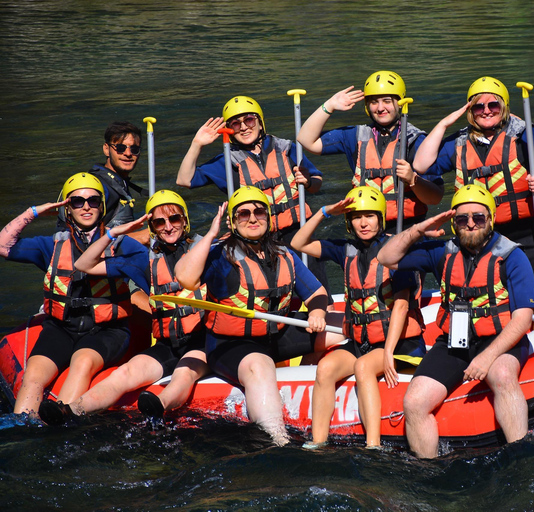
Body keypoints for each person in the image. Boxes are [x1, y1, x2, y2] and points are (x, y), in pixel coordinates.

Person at [174, 186, 346, 445]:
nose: (253, 218)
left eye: (259, 212)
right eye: (243, 214)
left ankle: (310, 376)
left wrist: (318, 313)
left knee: (344, 327)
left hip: (276, 335)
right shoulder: (221, 256)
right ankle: (279, 439)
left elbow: (317, 294)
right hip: (230, 345)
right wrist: (210, 234)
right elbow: (185, 278)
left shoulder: (283, 253)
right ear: (232, 221)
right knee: (260, 365)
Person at [377, 184, 534, 458]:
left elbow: (523, 320)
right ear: (454, 223)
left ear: (491, 219)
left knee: (502, 376)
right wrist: (420, 229)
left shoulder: (512, 257)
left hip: (499, 342)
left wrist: (486, 358)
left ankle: (519, 455)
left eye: (478, 217)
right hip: (455, 342)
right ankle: (430, 470)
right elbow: (386, 257)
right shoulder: (441, 251)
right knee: (414, 402)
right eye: (462, 219)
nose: (470, 224)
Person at [37, 190, 210, 425]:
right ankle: (71, 410)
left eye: (175, 219)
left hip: (203, 343)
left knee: (184, 373)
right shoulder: (142, 260)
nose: (168, 227)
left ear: (185, 221)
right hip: (167, 345)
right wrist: (112, 233)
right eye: (159, 221)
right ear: (152, 227)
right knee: (124, 374)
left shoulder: (209, 253)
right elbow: (83, 263)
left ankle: (160, 405)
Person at [412, 76, 534, 315]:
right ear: (470, 111)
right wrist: (444, 123)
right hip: (484, 235)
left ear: (504, 107)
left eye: (493, 105)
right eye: (478, 106)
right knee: (495, 297)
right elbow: (421, 165)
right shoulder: (459, 143)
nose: (486, 111)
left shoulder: (523, 135)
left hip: (532, 231)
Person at [291, 186, 426, 448]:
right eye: (356, 217)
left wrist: (387, 352)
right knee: (325, 368)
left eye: (370, 216)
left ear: (381, 218)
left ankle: (372, 445)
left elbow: (400, 306)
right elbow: (298, 243)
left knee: (362, 367)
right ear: (348, 221)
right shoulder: (346, 250)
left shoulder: (397, 251)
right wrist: (324, 212)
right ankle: (318, 443)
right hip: (361, 342)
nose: (363, 223)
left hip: (398, 344)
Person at [0, 173, 145, 417]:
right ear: (67, 208)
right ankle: (24, 427)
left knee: (83, 362)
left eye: (93, 201)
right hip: (61, 327)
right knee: (34, 372)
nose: (86, 206)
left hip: (109, 330)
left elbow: (151, 275)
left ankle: (61, 421)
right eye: (77, 201)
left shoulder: (122, 244)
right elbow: (3, 246)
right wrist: (34, 212)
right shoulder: (51, 245)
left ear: (102, 206)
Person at [175, 96, 328, 289]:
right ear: (230, 130)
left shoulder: (287, 148)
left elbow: (316, 183)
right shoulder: (227, 161)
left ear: (260, 122)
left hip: (298, 231)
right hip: (257, 237)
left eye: (249, 120)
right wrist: (197, 144)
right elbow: (184, 180)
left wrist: (307, 182)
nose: (244, 127)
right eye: (235, 124)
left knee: (317, 287)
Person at [296, 70, 444, 233]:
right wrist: (329, 106)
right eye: (374, 102)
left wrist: (413, 179)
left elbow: (435, 198)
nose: (380, 108)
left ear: (400, 102)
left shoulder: (417, 140)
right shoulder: (354, 136)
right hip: (367, 230)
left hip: (408, 229)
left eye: (387, 101)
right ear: (367, 106)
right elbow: (306, 139)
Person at [57, 121, 148, 233]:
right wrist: (141, 237)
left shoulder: (116, 182)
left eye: (134, 149)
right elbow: (84, 238)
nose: (128, 153)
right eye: (120, 148)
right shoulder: (98, 187)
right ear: (106, 149)